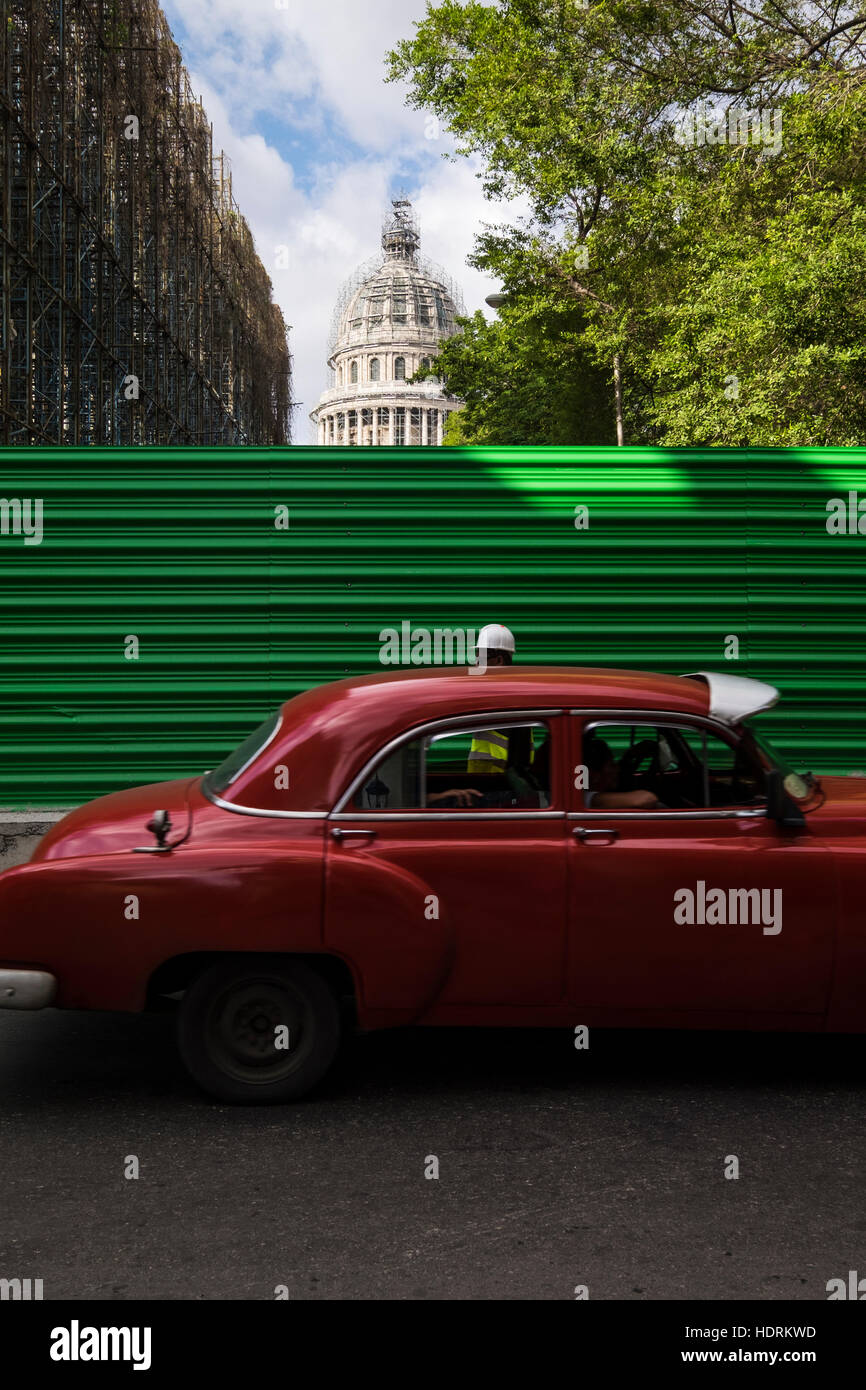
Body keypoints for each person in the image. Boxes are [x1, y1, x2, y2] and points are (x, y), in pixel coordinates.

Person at [584, 735, 662, 810]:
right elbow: (647, 799)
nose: (617, 770)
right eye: (612, 765)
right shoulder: (589, 799)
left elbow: (624, 771)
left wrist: (631, 755)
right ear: (595, 775)